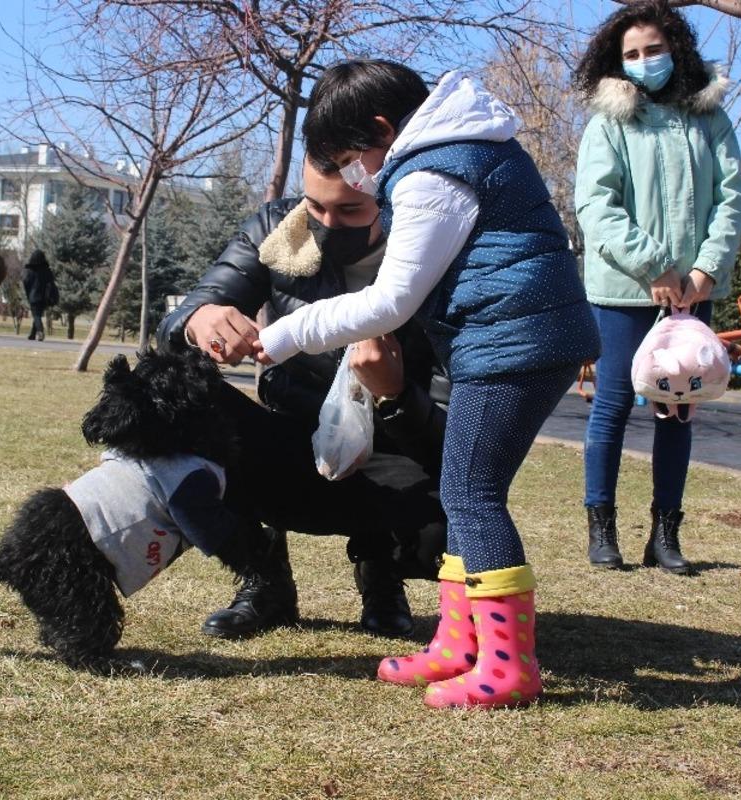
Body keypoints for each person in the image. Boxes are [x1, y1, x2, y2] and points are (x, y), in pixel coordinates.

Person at [255, 61, 600, 709]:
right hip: (515, 333)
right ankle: (460, 643)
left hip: (514, 338)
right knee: (464, 487)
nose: (353, 175)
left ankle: (507, 666)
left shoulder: (433, 171)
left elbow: (391, 301)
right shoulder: (463, 147)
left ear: (383, 130)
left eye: (350, 158)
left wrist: (288, 332)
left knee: (471, 491)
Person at [157, 160, 452, 641]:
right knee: (184, 405)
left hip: (395, 451)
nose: (327, 225)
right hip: (293, 436)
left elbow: (454, 434)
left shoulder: (436, 250)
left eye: (351, 209)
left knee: (448, 521)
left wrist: (395, 393)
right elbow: (187, 314)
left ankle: (381, 571)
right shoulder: (278, 229)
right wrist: (199, 320)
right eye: (315, 205)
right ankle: (266, 578)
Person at [574, 0, 741, 574]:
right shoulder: (608, 124)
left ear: (675, 48)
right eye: (631, 54)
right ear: (615, 61)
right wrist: (654, 267)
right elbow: (596, 207)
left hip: (695, 293)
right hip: (625, 291)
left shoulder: (711, 119)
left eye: (653, 49)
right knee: (614, 406)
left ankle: (665, 534)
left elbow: (732, 201)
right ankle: (603, 530)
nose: (644, 61)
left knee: (679, 407)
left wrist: (703, 271)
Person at [22, 249, 56, 341]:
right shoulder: (47, 270)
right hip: (44, 297)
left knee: (36, 316)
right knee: (37, 315)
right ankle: (32, 334)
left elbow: (26, 282)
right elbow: (51, 282)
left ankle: (40, 331)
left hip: (34, 296)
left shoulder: (30, 271)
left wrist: (28, 293)